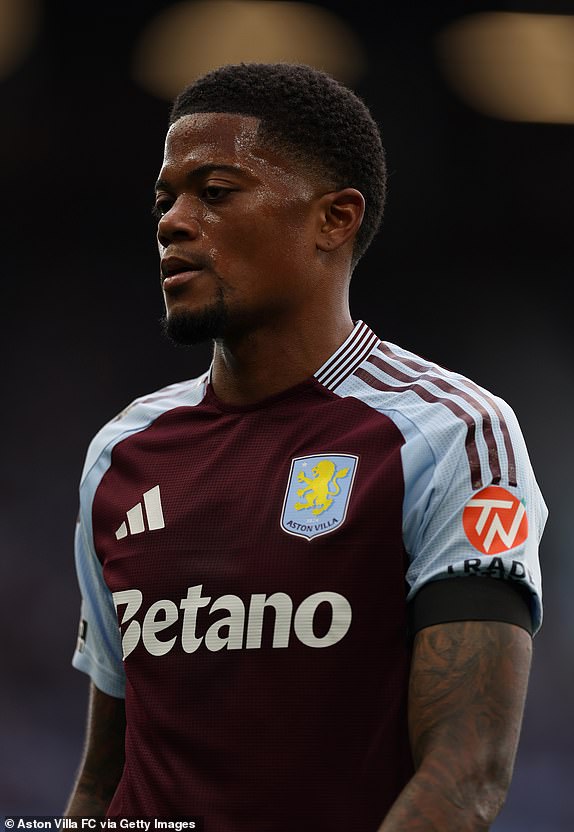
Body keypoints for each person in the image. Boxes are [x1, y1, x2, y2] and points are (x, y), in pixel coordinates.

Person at [64, 62, 547, 831]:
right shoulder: (121, 454)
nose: (171, 221)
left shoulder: (450, 432)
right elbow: (104, 782)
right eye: (166, 199)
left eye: (214, 193)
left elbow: (465, 778)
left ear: (335, 218)